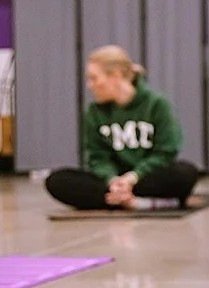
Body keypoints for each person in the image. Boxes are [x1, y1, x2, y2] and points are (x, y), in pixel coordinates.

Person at [45, 45, 199, 210]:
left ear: (116, 76)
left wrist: (133, 177)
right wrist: (112, 180)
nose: (90, 85)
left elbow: (166, 152)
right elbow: (97, 157)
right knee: (56, 180)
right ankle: (131, 200)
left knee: (185, 173)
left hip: (145, 178)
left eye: (94, 78)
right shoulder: (94, 112)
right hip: (112, 182)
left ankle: (115, 200)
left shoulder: (156, 104)